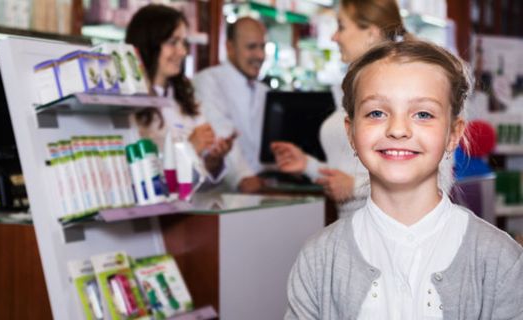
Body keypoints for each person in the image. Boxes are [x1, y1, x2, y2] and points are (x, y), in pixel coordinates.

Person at [285, 39, 523, 319]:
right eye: (376, 113)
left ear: (453, 134)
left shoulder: (500, 258)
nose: (398, 129)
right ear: (350, 132)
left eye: (423, 114)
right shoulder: (319, 258)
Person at [271, 0, 409, 216]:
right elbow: (346, 174)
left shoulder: (403, 87)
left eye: (341, 27)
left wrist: (355, 187)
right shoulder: (352, 89)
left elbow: (433, 176)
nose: (334, 37)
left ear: (371, 33)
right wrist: (307, 165)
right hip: (350, 229)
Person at [125, 4, 234, 179]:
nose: (182, 51)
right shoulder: (126, 104)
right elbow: (140, 175)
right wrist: (191, 147)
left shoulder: (185, 99)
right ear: (149, 44)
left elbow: (200, 177)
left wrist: (212, 159)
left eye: (183, 42)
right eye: (173, 42)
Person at [193, 17, 268, 193]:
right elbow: (221, 132)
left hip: (265, 188)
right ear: (229, 47)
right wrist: (242, 176)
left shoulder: (264, 91)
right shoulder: (209, 80)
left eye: (262, 47)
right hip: (224, 196)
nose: (260, 55)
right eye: (251, 47)